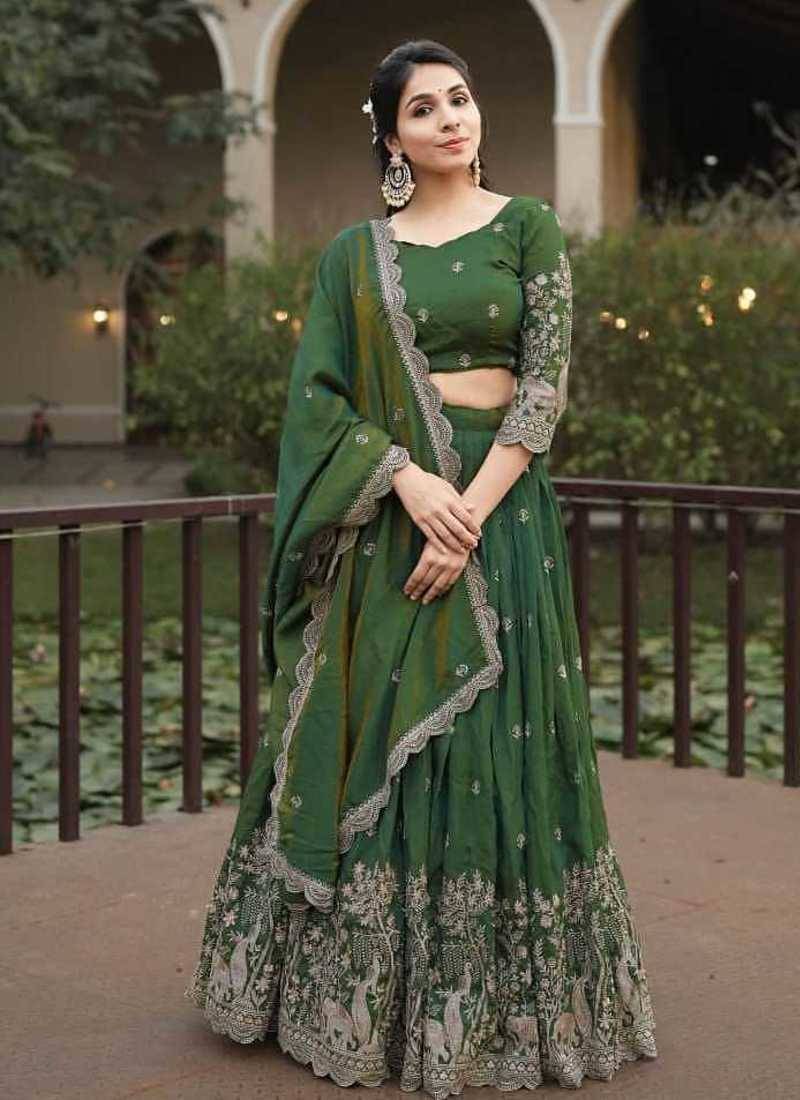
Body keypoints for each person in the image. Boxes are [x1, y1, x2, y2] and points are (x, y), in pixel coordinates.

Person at [185, 38, 658, 1097]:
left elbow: (542, 389)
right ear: (391, 138)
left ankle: (504, 1007)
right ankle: (364, 1003)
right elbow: (319, 401)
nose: (450, 118)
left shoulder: (527, 226)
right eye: (423, 109)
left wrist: (466, 518)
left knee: (495, 737)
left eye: (460, 97)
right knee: (384, 739)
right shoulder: (354, 256)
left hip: (501, 519)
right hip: (392, 517)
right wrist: (403, 479)